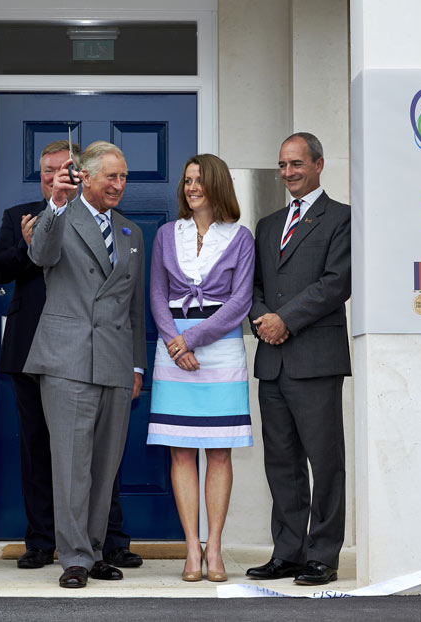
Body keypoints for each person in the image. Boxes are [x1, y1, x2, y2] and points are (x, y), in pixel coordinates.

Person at [0, 140, 141, 571]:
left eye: (124, 176)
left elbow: (132, 307)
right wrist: (56, 203)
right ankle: (72, 556)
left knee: (103, 466)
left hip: (112, 360)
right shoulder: (55, 217)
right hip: (65, 357)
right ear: (87, 177)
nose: (119, 184)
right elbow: (41, 255)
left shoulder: (132, 232)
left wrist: (135, 364)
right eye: (111, 176)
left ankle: (93, 552)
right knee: (70, 464)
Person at [246, 132, 351, 587]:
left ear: (319, 165)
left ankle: (323, 555)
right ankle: (288, 551)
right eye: (283, 165)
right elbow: (249, 287)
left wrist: (284, 320)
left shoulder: (342, 219)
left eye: (297, 164)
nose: (288, 172)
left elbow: (336, 283)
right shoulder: (267, 225)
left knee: (325, 462)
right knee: (282, 463)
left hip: (315, 359)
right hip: (273, 363)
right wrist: (261, 317)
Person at [146, 154, 255, 583]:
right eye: (187, 180)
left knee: (219, 451)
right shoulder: (165, 235)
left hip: (220, 348)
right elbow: (157, 293)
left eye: (199, 180)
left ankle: (215, 549)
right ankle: (191, 548)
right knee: (180, 450)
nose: (191, 187)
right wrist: (176, 343)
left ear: (216, 185)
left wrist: (190, 340)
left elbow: (240, 301)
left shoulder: (240, 238)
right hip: (171, 348)